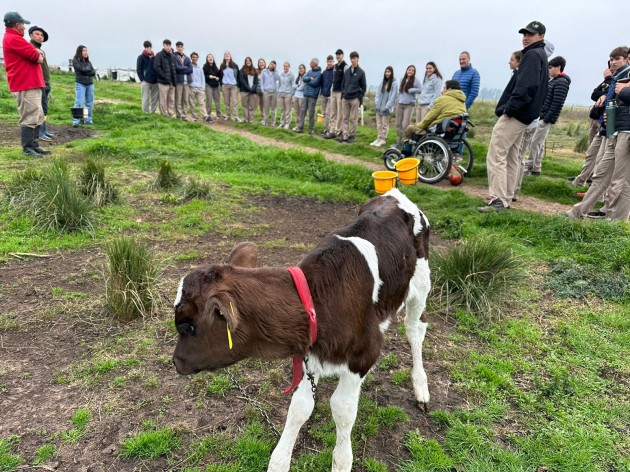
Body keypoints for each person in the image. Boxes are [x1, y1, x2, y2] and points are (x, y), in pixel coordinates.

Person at [479, 21, 549, 213]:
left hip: (517, 114)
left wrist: (509, 109)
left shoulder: (532, 55)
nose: (526, 37)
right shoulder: (540, 55)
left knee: (496, 154)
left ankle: (499, 199)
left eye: (531, 34)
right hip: (526, 115)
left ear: (541, 36)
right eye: (524, 34)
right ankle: (506, 197)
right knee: (512, 157)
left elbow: (526, 87)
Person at [565, 46, 630, 219]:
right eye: (612, 59)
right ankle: (579, 211)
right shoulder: (619, 76)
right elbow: (613, 101)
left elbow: (622, 97)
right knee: (601, 173)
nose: (613, 62)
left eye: (617, 58)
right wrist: (609, 120)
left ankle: (616, 221)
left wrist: (622, 91)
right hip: (616, 129)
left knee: (621, 180)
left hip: (625, 130)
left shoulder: (623, 76)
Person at [2, 11, 50, 158]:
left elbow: (37, 54)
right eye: (23, 24)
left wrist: (38, 52)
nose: (24, 27)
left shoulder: (15, 38)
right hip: (25, 83)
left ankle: (34, 145)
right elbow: (37, 58)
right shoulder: (14, 39)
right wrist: (38, 53)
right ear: (17, 25)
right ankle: (28, 149)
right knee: (30, 116)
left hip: (32, 83)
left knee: (37, 115)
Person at [524, 56, 571, 175]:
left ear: (558, 67)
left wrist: (546, 118)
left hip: (546, 117)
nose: (548, 70)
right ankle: (536, 168)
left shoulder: (562, 82)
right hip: (542, 115)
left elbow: (557, 103)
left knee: (535, 142)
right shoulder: (553, 80)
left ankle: (528, 167)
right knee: (538, 142)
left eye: (550, 68)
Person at [28, 25, 54, 142]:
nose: (40, 37)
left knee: (45, 107)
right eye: (37, 34)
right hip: (39, 82)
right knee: (41, 108)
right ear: (31, 35)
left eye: (42, 35)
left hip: (45, 82)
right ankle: (40, 132)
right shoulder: (30, 47)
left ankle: (44, 130)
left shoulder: (40, 49)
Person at [338, 51, 366, 144]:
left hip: (355, 98)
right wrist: (343, 94)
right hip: (345, 98)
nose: (353, 60)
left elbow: (364, 87)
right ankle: (345, 135)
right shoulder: (346, 72)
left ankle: (352, 135)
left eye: (354, 58)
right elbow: (343, 84)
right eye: (351, 58)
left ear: (357, 59)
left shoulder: (361, 72)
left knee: (353, 118)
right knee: (345, 118)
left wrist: (359, 97)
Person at [324, 49, 348, 139]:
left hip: (340, 92)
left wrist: (344, 91)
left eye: (339, 54)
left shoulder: (345, 66)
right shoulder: (335, 66)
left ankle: (339, 131)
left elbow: (346, 80)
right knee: (332, 112)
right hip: (333, 91)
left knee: (340, 113)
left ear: (342, 55)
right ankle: (332, 130)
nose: (338, 56)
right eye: (337, 55)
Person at [370, 66, 398, 147]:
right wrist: (376, 102)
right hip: (379, 106)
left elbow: (393, 96)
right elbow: (378, 93)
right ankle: (378, 138)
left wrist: (387, 106)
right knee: (379, 124)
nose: (387, 73)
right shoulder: (383, 82)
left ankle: (383, 139)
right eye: (386, 72)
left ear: (391, 73)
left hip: (386, 107)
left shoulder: (394, 83)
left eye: (389, 72)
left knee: (384, 124)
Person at [395, 65, 422, 145]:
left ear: (414, 72)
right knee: (398, 123)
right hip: (400, 104)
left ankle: (405, 141)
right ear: (406, 70)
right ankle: (399, 140)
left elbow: (420, 89)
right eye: (409, 70)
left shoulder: (416, 81)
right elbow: (400, 92)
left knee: (405, 124)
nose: (410, 71)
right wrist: (398, 99)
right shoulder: (402, 80)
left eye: (412, 70)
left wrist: (412, 90)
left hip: (409, 105)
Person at [295, 58, 322, 134]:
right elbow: (304, 78)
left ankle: (311, 129)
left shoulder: (319, 73)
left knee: (311, 113)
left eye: (311, 62)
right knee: (303, 111)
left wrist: (308, 81)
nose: (310, 63)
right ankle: (300, 127)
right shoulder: (309, 71)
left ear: (315, 64)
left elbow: (315, 83)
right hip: (306, 94)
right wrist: (310, 78)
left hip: (312, 96)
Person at [72, 45, 96, 127]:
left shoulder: (88, 62)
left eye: (86, 50)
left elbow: (93, 72)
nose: (85, 52)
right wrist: (87, 70)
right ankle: (76, 121)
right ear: (79, 52)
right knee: (79, 102)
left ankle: (87, 120)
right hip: (80, 83)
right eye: (83, 51)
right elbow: (80, 69)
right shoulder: (75, 61)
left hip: (90, 83)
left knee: (89, 103)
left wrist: (86, 71)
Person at [154, 39, 176, 117]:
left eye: (169, 45)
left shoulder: (172, 56)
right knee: (163, 99)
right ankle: (163, 114)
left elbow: (173, 68)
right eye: (166, 45)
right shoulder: (159, 55)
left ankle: (170, 112)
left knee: (171, 99)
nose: (168, 47)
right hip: (163, 81)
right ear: (163, 45)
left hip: (172, 82)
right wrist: (164, 76)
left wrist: (174, 80)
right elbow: (157, 67)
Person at [136, 40, 158, 114]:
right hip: (146, 81)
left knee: (154, 98)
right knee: (145, 98)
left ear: (151, 47)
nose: (148, 48)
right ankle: (145, 113)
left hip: (155, 81)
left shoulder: (155, 57)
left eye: (150, 47)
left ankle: (153, 112)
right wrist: (142, 79)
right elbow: (139, 69)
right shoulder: (141, 57)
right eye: (147, 47)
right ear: (144, 48)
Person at [188, 52, 211, 123]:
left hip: (200, 88)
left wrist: (203, 88)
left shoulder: (200, 68)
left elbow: (203, 79)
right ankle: (194, 117)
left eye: (196, 57)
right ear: (191, 58)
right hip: (191, 87)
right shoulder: (189, 67)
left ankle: (205, 116)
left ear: (197, 58)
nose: (195, 58)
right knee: (191, 103)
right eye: (193, 57)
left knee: (201, 103)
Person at [173, 41, 193, 121]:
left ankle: (184, 116)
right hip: (179, 81)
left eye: (181, 46)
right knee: (178, 99)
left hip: (186, 82)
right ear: (176, 48)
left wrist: (182, 69)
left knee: (185, 99)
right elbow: (176, 68)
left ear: (183, 47)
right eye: (178, 47)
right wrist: (185, 68)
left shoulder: (187, 58)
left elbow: (191, 69)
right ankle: (178, 115)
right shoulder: (173, 56)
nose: (180, 48)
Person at [220, 51, 240, 121]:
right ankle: (228, 115)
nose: (227, 55)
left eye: (228, 54)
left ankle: (236, 117)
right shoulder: (222, 65)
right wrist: (221, 84)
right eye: (225, 54)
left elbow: (238, 76)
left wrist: (238, 85)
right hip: (225, 86)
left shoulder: (235, 65)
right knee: (226, 102)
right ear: (224, 57)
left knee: (234, 102)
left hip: (233, 86)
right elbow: (221, 75)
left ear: (230, 56)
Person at [238, 57, 259, 123]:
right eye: (246, 61)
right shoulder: (242, 70)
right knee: (245, 106)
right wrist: (248, 88)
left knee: (251, 106)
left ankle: (251, 120)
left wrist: (252, 89)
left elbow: (256, 82)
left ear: (251, 61)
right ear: (245, 62)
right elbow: (242, 80)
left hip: (252, 91)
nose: (248, 62)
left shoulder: (255, 70)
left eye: (249, 60)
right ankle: (246, 119)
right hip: (244, 91)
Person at [260, 60, 280, 126]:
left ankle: (273, 123)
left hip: (274, 92)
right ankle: (266, 122)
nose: (272, 65)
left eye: (273, 65)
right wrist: (263, 90)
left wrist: (275, 70)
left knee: (273, 108)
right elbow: (261, 81)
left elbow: (277, 79)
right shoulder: (264, 71)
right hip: (266, 92)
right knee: (266, 108)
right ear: (269, 64)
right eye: (271, 64)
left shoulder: (276, 72)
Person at [203, 54, 222, 119]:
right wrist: (209, 76)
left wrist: (218, 78)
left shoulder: (216, 67)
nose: (210, 58)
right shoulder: (205, 67)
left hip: (216, 86)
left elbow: (219, 75)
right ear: (207, 59)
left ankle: (219, 114)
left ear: (213, 59)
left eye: (211, 57)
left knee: (217, 100)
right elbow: (203, 76)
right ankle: (207, 114)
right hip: (208, 85)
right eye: (209, 57)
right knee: (209, 100)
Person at [320, 55, 335, 135]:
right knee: (324, 113)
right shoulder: (324, 72)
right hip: (323, 94)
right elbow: (321, 83)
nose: (329, 63)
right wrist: (321, 92)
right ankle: (325, 129)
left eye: (330, 61)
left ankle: (328, 129)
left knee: (328, 112)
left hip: (330, 95)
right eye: (328, 61)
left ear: (333, 62)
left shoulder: (334, 71)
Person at [277, 62, 295, 129]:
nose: (285, 67)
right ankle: (282, 123)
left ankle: (287, 124)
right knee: (282, 110)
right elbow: (279, 84)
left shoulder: (291, 75)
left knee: (288, 110)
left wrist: (292, 94)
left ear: (289, 67)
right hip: (281, 94)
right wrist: (278, 91)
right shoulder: (281, 74)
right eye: (284, 66)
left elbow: (293, 85)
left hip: (288, 94)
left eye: (286, 66)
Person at [291, 64, 306, 131]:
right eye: (299, 68)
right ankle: (297, 126)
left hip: (302, 97)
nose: (300, 69)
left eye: (302, 68)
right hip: (296, 96)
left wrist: (297, 86)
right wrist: (298, 86)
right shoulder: (298, 77)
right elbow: (293, 85)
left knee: (301, 113)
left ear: (304, 69)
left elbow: (302, 87)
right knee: (296, 112)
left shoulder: (305, 77)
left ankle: (300, 126)